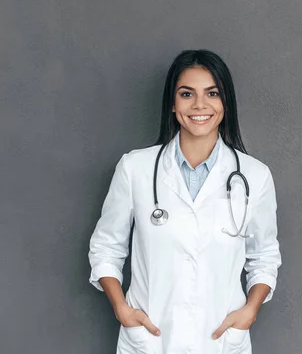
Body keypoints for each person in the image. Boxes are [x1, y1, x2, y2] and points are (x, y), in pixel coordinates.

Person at [88, 49, 282, 354]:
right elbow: (106, 247)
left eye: (212, 93)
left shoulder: (255, 176)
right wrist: (121, 308)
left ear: (225, 103)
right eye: (187, 94)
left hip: (220, 341)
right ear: (173, 103)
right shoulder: (135, 168)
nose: (200, 105)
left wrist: (250, 310)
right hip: (150, 340)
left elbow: (265, 256)